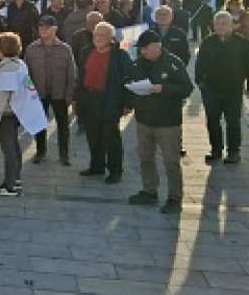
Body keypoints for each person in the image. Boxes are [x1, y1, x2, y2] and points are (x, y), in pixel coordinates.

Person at [127, 30, 194, 214]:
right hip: (144, 120)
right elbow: (130, 84)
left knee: (171, 161)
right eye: (141, 49)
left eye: (145, 49)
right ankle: (149, 191)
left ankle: (175, 198)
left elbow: (187, 88)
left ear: (157, 47)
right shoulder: (138, 63)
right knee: (145, 158)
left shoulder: (173, 63)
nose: (142, 52)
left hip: (168, 122)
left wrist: (163, 88)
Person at [75, 22, 134, 183]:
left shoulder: (120, 55)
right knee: (93, 135)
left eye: (102, 35)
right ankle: (97, 166)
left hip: (110, 99)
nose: (98, 38)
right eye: (96, 35)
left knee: (111, 136)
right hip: (89, 98)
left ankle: (115, 170)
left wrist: (128, 104)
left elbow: (129, 78)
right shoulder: (86, 52)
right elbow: (80, 77)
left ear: (111, 38)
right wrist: (77, 98)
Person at [194, 11, 249, 164]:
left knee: (233, 122)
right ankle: (216, 149)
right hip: (211, 89)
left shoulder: (242, 43)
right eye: (217, 24)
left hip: (233, 90)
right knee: (212, 121)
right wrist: (200, 82)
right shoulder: (208, 42)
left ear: (232, 25)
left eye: (224, 24)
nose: (220, 27)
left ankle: (233, 152)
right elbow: (200, 64)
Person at [24, 15, 77, 166]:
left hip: (59, 93)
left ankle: (64, 154)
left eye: (47, 27)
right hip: (38, 94)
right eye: (41, 27)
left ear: (55, 29)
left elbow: (71, 73)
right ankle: (40, 151)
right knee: (39, 124)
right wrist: (28, 94)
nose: (43, 30)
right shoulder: (31, 49)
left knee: (63, 125)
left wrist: (70, 94)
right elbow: (26, 74)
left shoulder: (65, 49)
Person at [0, 32, 27, 196]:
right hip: (16, 111)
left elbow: (1, 97)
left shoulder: (7, 71)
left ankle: (10, 186)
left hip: (6, 114)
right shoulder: (18, 64)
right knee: (14, 146)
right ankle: (15, 180)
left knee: (8, 149)